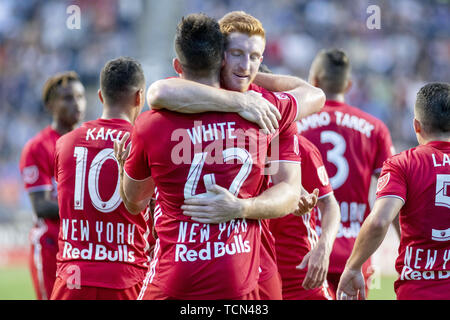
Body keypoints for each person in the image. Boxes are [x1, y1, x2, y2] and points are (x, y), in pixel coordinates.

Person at [115, 13, 306, 300]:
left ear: (177, 65)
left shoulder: (149, 125)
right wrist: (241, 208)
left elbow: (133, 203)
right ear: (222, 61)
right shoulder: (263, 113)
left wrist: (122, 167)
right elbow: (314, 94)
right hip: (240, 276)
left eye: (254, 57)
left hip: (174, 277)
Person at [49, 57, 154, 300]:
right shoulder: (145, 144)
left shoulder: (64, 143)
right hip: (126, 278)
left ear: (100, 96)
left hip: (72, 280)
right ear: (139, 97)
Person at [337, 82, 450, 300]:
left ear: (416, 125)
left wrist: (353, 266)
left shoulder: (403, 164)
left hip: (418, 290)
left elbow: (380, 221)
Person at [300, 48, 395, 297]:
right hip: (356, 256)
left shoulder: (295, 125)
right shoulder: (375, 129)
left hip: (308, 250)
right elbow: (395, 193)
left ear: (314, 82)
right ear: (349, 84)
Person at [19, 71, 86, 300]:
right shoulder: (38, 147)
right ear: (50, 105)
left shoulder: (92, 140)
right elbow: (41, 206)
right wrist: (89, 204)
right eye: (67, 98)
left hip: (83, 245)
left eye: (80, 96)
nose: (76, 103)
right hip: (51, 246)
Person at [270, 134, 340, 300]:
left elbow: (330, 204)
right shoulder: (234, 147)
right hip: (253, 276)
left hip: (300, 278)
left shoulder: (300, 148)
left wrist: (324, 247)